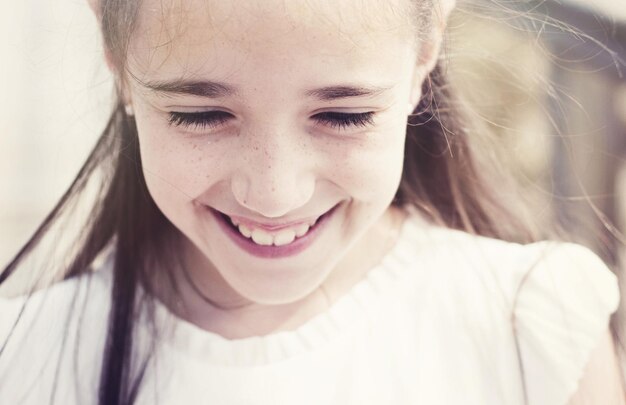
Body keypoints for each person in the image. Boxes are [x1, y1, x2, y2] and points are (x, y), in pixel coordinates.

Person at [1, 0, 624, 404]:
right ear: (118, 61)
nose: (275, 194)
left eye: (344, 116)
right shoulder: (24, 357)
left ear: (424, 52)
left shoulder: (531, 329)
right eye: (200, 114)